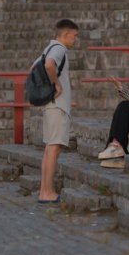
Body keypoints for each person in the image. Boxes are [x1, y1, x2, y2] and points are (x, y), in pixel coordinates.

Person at [37, 18, 80, 203]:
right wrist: (56, 84)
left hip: (50, 105)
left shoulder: (48, 47)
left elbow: (35, 68)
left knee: (50, 149)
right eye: (74, 35)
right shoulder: (59, 49)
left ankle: (44, 191)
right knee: (53, 149)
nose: (76, 39)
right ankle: (47, 193)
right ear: (65, 35)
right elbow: (48, 65)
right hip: (57, 106)